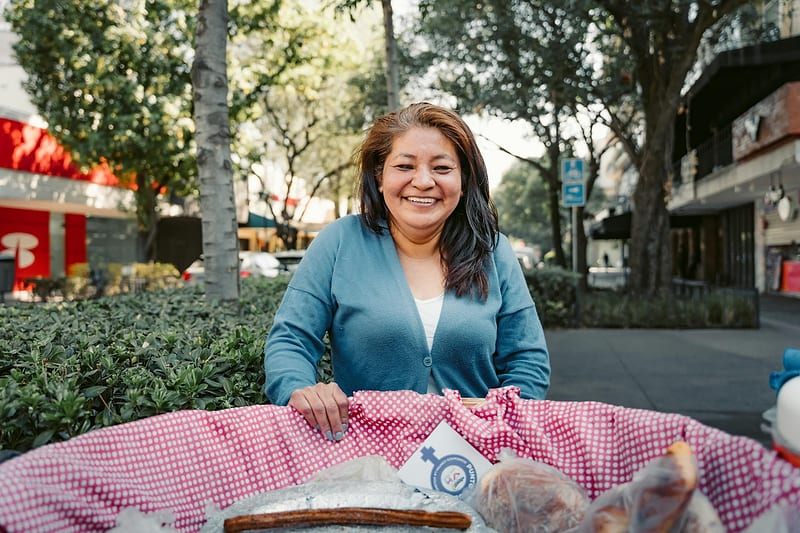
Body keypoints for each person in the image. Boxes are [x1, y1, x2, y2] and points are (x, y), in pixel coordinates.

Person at [264, 102, 550, 442]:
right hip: (364, 459)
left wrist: (502, 431)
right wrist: (299, 389)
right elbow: (290, 341)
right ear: (379, 176)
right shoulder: (338, 243)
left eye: (442, 168)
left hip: (474, 457)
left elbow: (527, 360)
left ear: (463, 180)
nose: (424, 181)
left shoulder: (494, 251)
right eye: (405, 166)